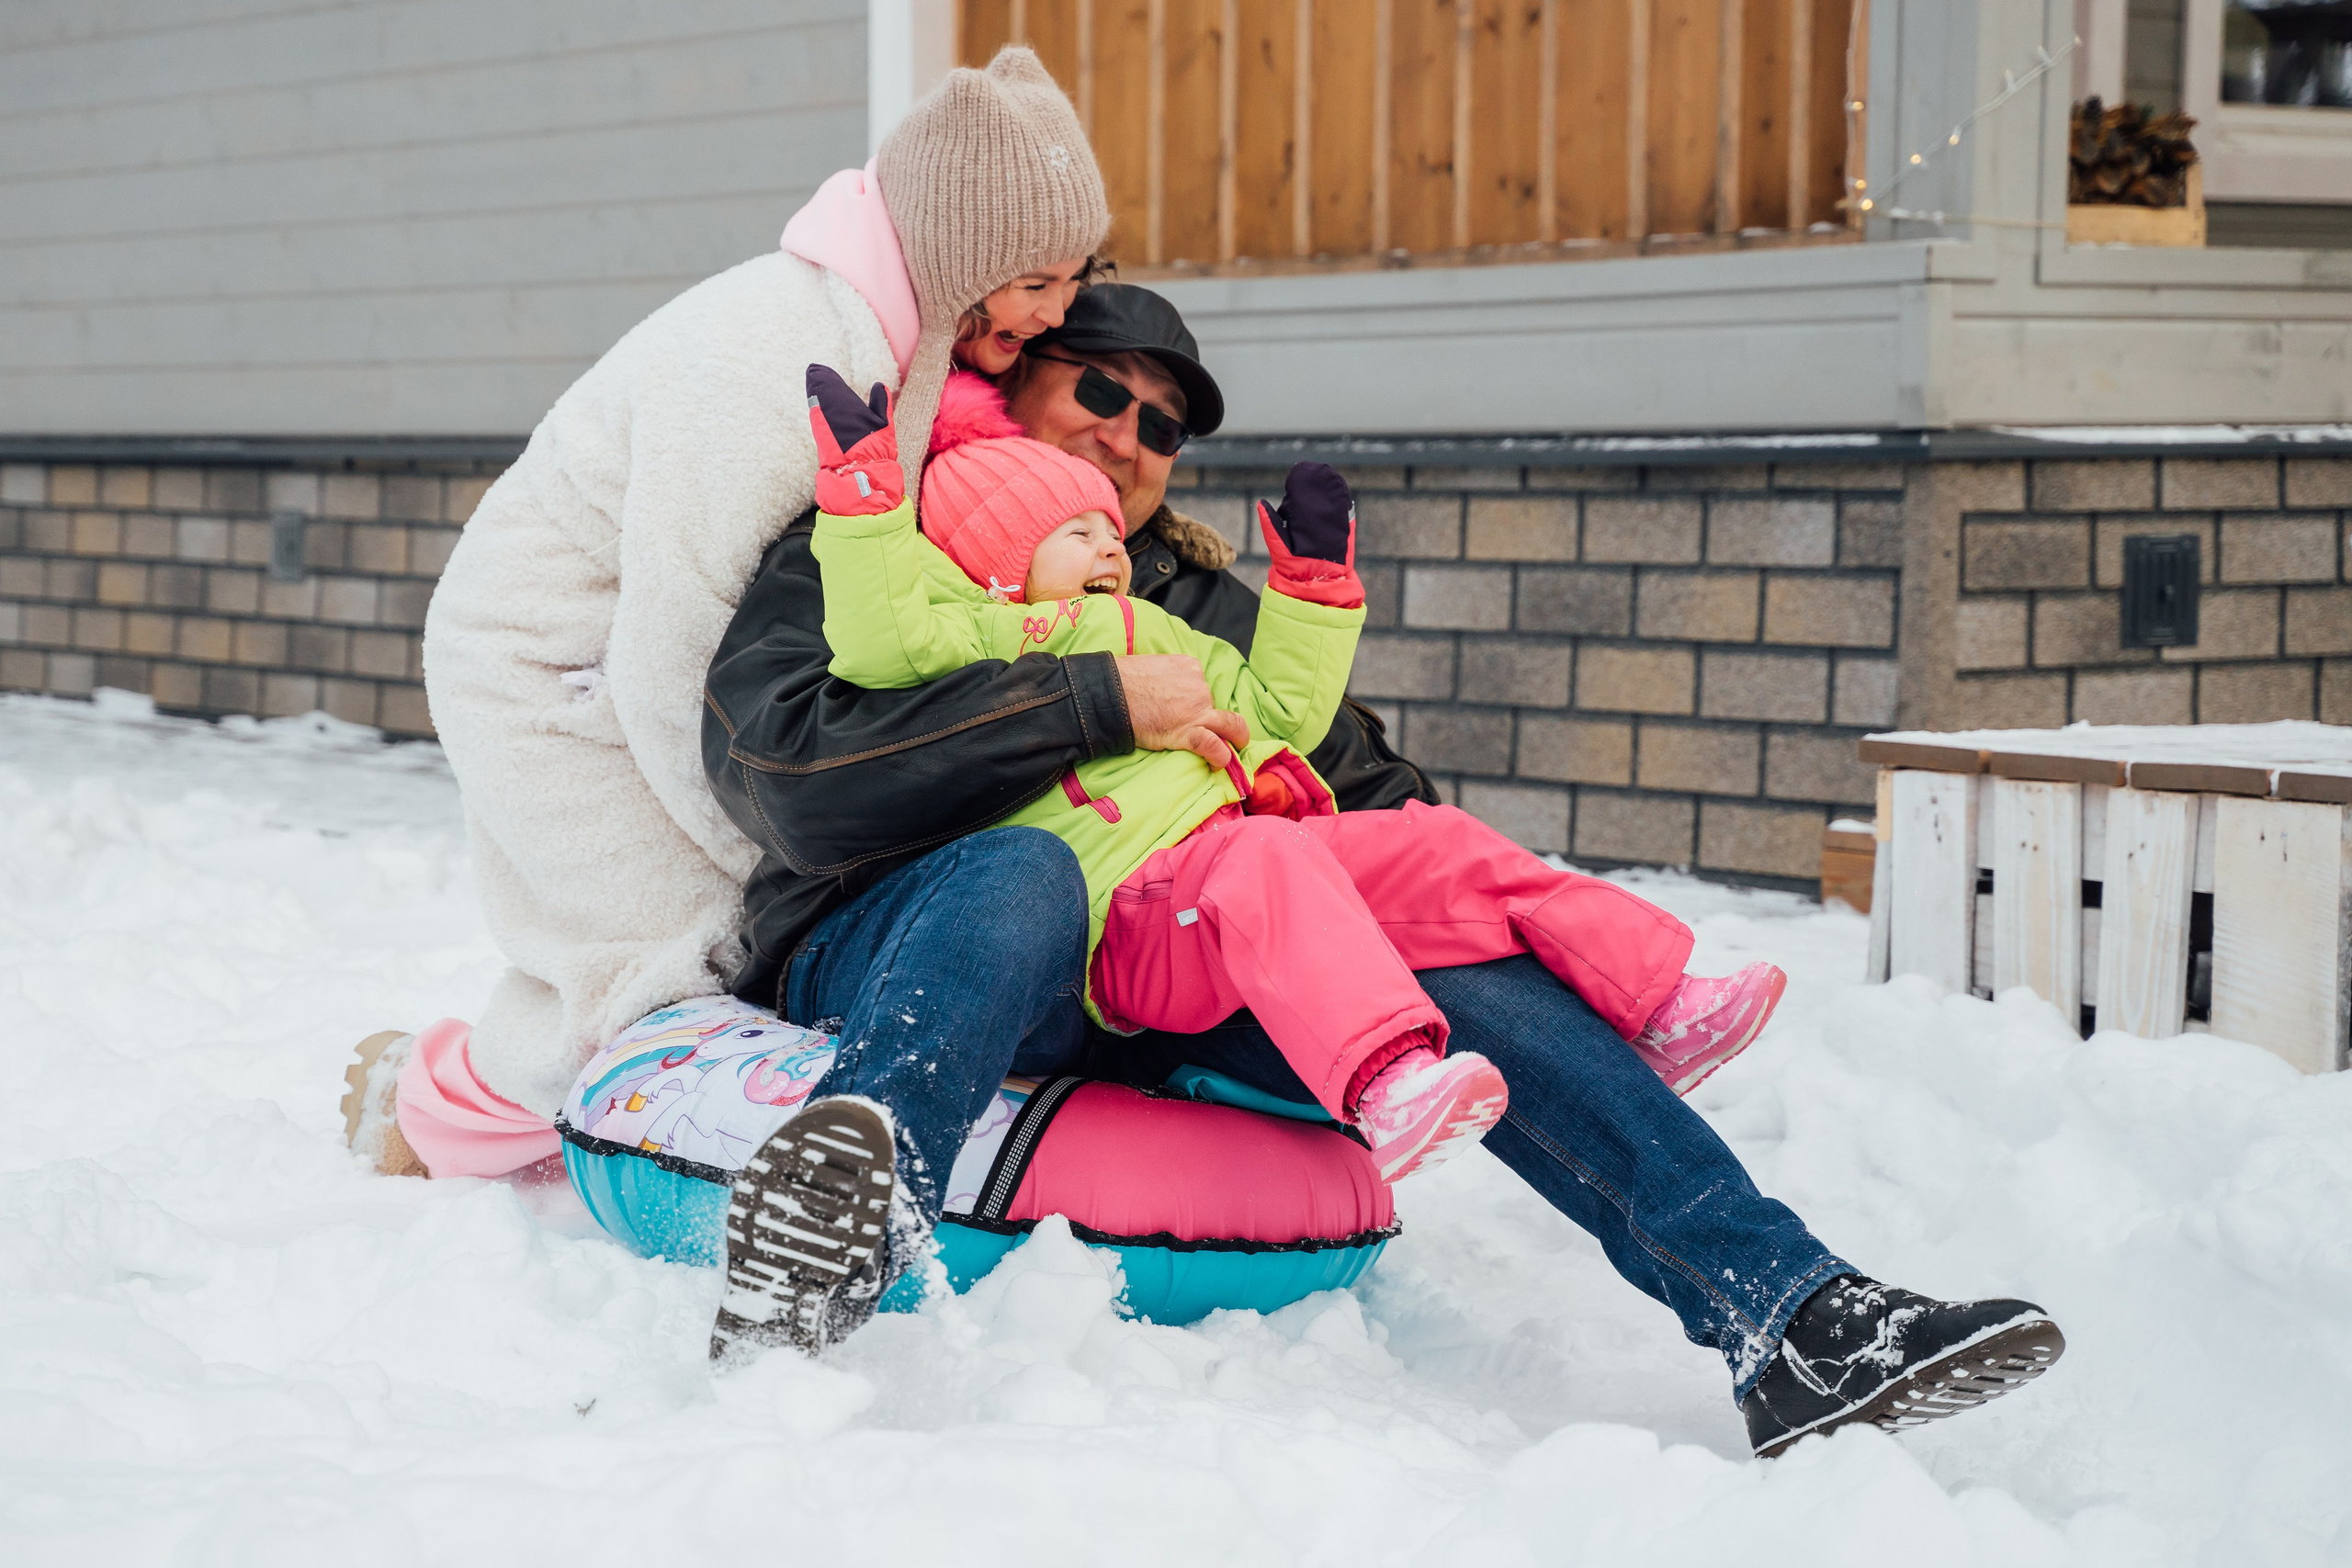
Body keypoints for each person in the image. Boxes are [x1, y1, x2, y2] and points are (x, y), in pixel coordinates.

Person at [701, 280, 2068, 1457]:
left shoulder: (1198, 604)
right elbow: (788, 776)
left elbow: (1368, 789)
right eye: (1100, 390)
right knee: (1024, 876)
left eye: (1160, 425)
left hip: (1164, 951)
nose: (1126, 437)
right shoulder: (884, 543)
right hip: (908, 927)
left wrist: (1448, 887)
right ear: (1014, 378)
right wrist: (1098, 704)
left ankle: (1788, 1313)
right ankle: (838, 1244)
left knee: (1447, 939)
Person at [344, 50, 1117, 1187]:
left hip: (628, 656)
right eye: (1038, 279)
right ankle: (424, 1119)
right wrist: (764, 850)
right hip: (552, 661)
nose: (1061, 311)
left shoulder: (895, 340)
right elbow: (678, 636)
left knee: (664, 955)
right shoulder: (780, 348)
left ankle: (447, 1095)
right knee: (669, 957)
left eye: (1076, 275)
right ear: (962, 251)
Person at [800, 364, 1791, 1183]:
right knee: (1264, 859)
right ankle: (1381, 1082)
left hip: (1236, 865)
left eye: (1111, 531)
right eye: (1076, 534)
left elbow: (1277, 715)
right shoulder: (984, 637)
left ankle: (1656, 998)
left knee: (1434, 841)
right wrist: (865, 504)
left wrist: (1310, 592)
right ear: (996, 565)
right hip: (1131, 917)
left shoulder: (1171, 633)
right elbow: (884, 632)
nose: (1109, 544)